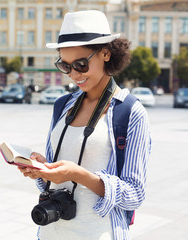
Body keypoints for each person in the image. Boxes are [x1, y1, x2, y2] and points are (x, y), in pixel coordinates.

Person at [18, 10, 151, 240]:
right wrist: (42, 170)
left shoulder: (130, 112)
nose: (73, 74)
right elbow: (54, 181)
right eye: (65, 66)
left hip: (98, 233)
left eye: (80, 64)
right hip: (51, 232)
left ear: (106, 53)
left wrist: (80, 175)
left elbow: (134, 194)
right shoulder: (62, 105)